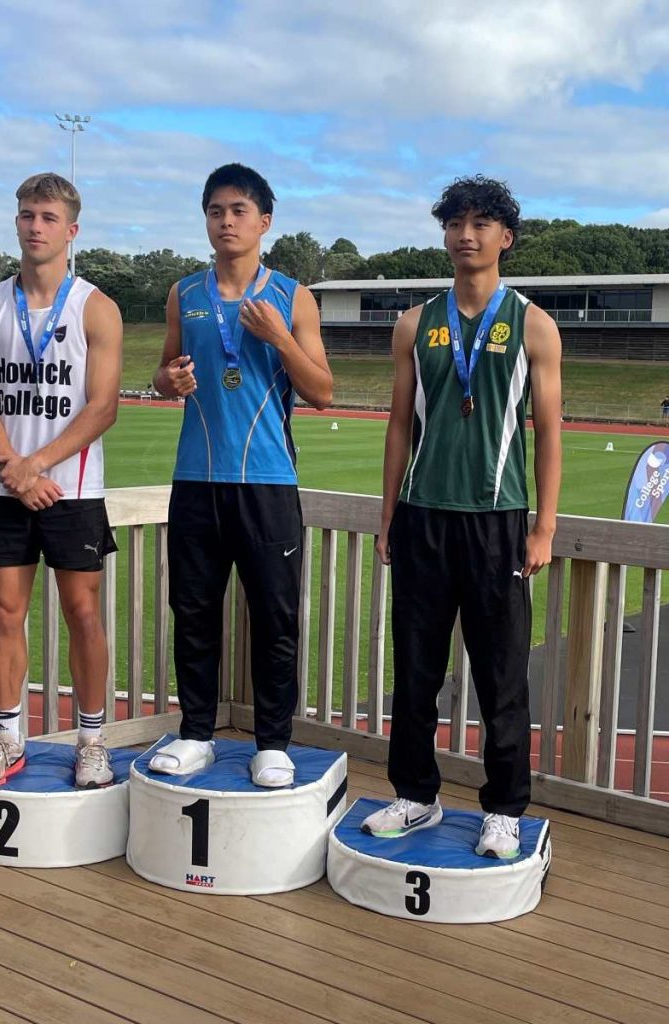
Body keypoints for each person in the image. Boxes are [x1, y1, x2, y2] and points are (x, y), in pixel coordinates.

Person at [361, 175, 562, 858]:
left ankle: (503, 808)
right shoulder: (415, 323)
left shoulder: (533, 323)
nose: (465, 235)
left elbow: (549, 431)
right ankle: (416, 796)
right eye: (454, 223)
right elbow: (398, 426)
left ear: (506, 237)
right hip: (422, 518)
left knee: (501, 677)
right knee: (416, 672)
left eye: (479, 224)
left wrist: (544, 527)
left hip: (498, 521)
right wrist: (388, 516)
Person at [150, 163, 332, 787]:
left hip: (268, 482)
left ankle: (273, 744)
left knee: (275, 618)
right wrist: (168, 381)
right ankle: (196, 733)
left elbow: (322, 392)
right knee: (193, 612)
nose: (226, 222)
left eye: (238, 211)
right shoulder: (184, 294)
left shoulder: (292, 296)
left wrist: (281, 338)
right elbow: (162, 374)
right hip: (196, 479)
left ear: (264, 222)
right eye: (215, 211)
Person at [0, 172, 123, 788]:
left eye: (49, 217)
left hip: (72, 490)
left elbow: (102, 407)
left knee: (83, 614)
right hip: (4, 488)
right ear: (16, 221)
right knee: (4, 613)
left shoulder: (96, 307)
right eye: (27, 215)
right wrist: (16, 468)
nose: (36, 226)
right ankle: (7, 738)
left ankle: (92, 740)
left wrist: (37, 464)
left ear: (71, 230)